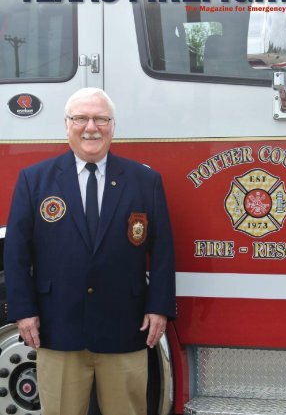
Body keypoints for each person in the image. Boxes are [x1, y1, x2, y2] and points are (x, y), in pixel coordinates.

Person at [4, 87, 176, 415]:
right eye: (81, 118)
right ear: (67, 124)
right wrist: (23, 311)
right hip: (57, 328)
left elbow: (163, 250)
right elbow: (16, 252)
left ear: (113, 125)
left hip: (125, 327)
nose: (91, 127)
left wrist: (160, 308)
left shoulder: (145, 181)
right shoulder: (34, 180)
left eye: (100, 118)